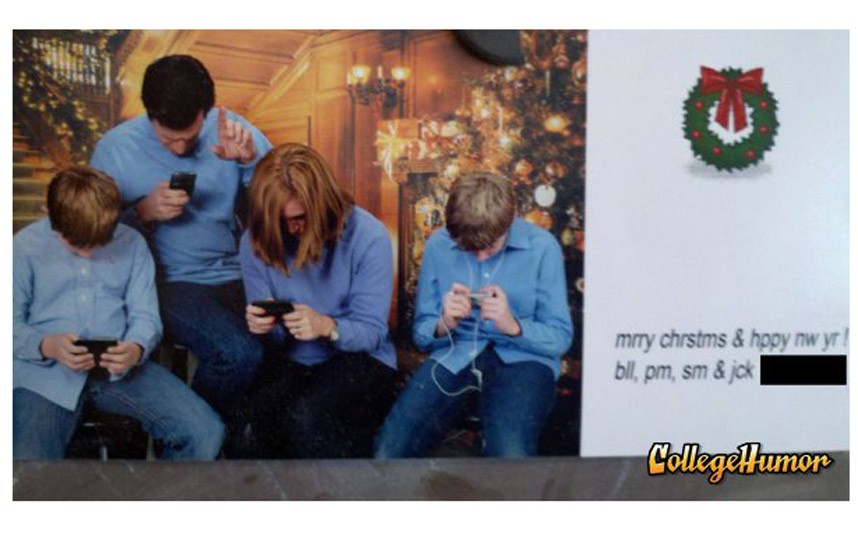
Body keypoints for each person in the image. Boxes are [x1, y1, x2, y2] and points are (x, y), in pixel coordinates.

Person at [90, 55, 272, 424]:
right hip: (169, 282)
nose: (179, 150)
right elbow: (92, 236)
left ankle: (233, 439)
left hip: (240, 273)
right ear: (149, 115)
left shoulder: (234, 131)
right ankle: (195, 435)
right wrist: (142, 212)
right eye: (168, 139)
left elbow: (283, 203)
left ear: (207, 112)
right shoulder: (115, 149)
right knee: (240, 354)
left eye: (189, 138)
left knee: (286, 344)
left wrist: (251, 165)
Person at [13, 166, 223, 460]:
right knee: (28, 466)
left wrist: (136, 348)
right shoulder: (22, 247)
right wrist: (47, 345)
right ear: (48, 214)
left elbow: (145, 316)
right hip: (44, 376)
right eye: (76, 244)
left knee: (205, 433)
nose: (88, 254)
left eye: (100, 241)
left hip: (121, 370)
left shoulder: (132, 242)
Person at [375, 173, 573, 458]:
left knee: (510, 455)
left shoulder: (543, 247)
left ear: (510, 221)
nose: (480, 257)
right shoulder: (438, 245)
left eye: (489, 247)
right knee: (390, 448)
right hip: (456, 355)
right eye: (468, 248)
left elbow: (560, 338)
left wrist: (513, 326)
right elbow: (422, 335)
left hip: (525, 361)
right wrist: (445, 323)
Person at [234, 143, 397, 458]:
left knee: (308, 423)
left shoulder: (369, 236)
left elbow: (372, 333)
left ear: (323, 203)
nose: (290, 229)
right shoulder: (255, 241)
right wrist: (264, 327)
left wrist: (326, 326)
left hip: (361, 357)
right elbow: (275, 343)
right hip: (295, 357)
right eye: (280, 220)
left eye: (299, 218)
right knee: (248, 430)